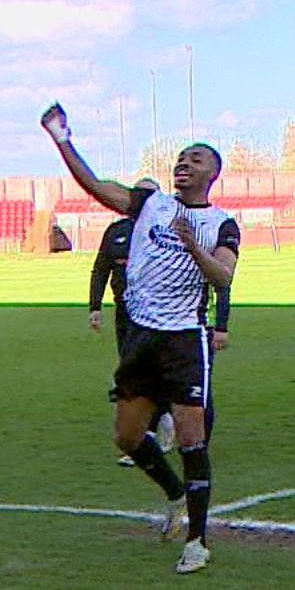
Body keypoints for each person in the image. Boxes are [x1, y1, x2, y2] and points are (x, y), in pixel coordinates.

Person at [43, 104, 238, 575]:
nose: (184, 163)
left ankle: (198, 540)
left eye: (195, 159)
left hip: (184, 342)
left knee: (193, 441)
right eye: (181, 158)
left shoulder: (222, 223)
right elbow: (94, 187)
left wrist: (192, 244)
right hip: (140, 337)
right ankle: (174, 494)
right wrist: (62, 139)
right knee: (128, 437)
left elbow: (224, 277)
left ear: (211, 173)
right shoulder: (150, 203)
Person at [90, 178, 174, 464]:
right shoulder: (116, 232)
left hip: (158, 315)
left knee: (153, 373)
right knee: (130, 371)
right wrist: (95, 306)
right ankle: (149, 429)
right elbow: (101, 268)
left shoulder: (165, 229)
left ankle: (154, 429)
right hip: (125, 312)